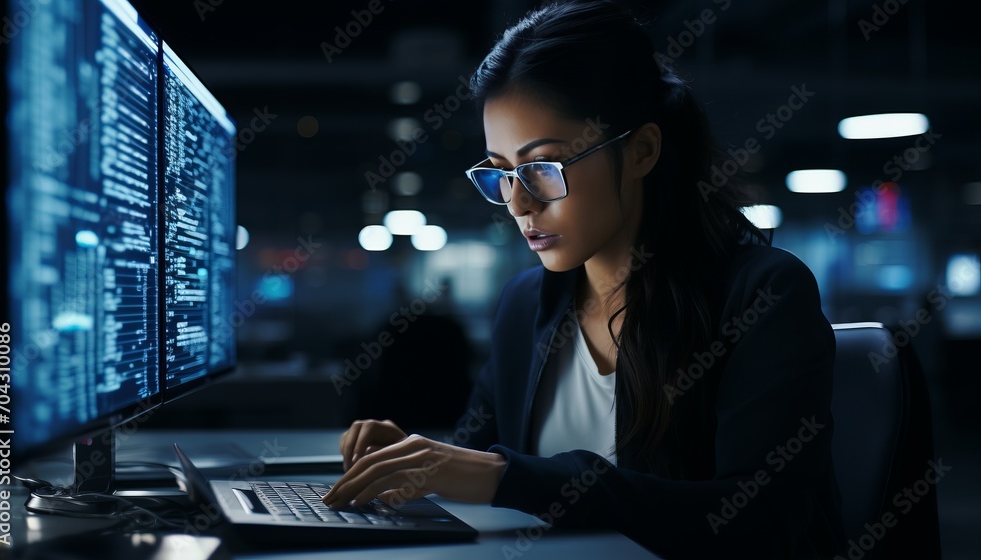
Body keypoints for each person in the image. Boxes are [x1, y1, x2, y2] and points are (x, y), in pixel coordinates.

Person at [323, 1, 845, 557]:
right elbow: (480, 460)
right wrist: (416, 457)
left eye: (542, 167)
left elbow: (761, 525)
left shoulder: (761, 294)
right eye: (500, 173)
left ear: (641, 150)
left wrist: (506, 477)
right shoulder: (527, 303)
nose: (518, 203)